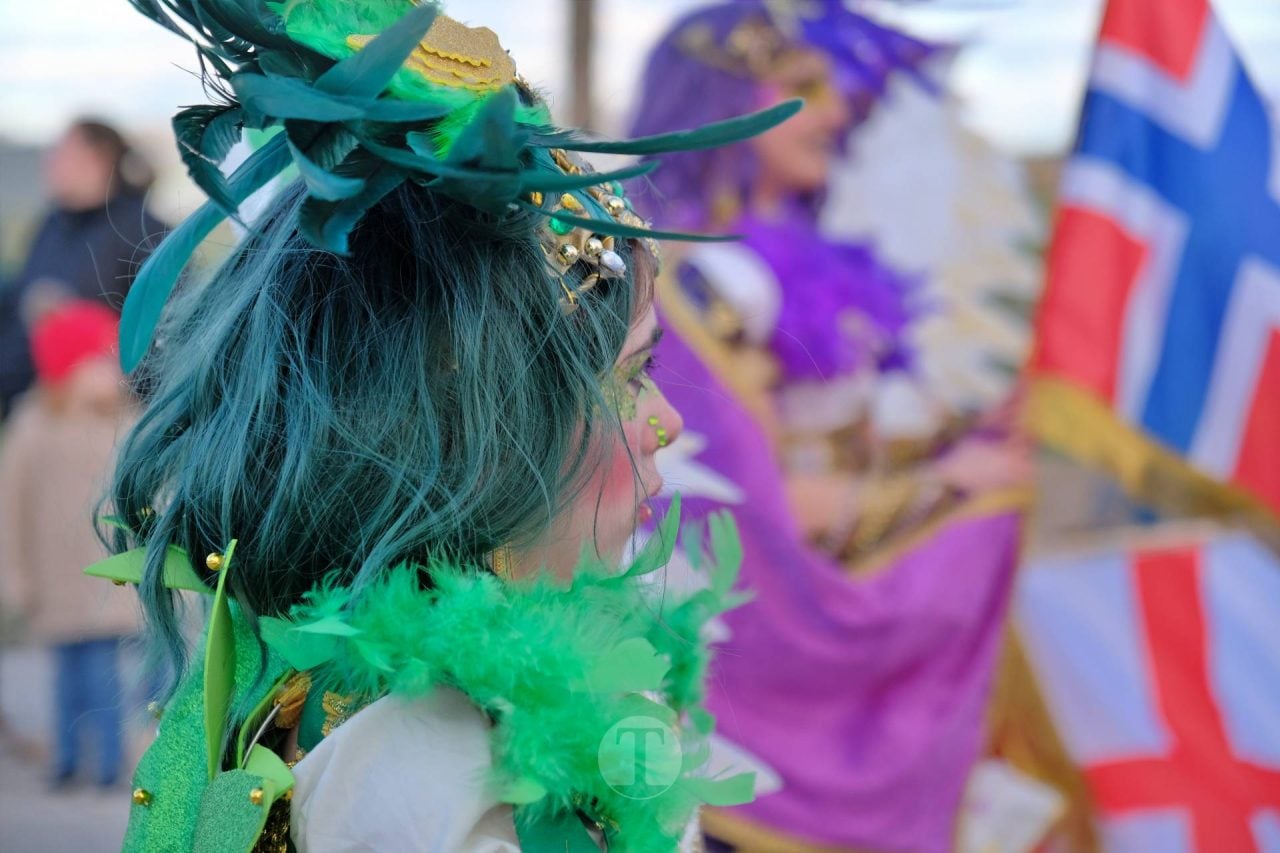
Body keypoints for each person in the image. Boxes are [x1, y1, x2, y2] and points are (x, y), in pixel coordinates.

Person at [87, 1, 796, 849]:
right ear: (481, 434)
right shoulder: (441, 776)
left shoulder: (319, 700)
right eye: (631, 375)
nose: (668, 422)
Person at [630, 4, 1042, 850]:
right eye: (805, 88)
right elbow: (739, 508)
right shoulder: (689, 282)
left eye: (838, 92)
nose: (835, 111)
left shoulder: (799, 261)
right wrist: (949, 485)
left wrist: (958, 439)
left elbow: (819, 447)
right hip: (755, 677)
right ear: (724, 100)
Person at [0, 300, 141, 789]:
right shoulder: (32, 426)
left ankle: (105, 762)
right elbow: (10, 509)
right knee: (66, 677)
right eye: (96, 361)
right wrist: (14, 576)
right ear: (67, 369)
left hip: (108, 580)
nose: (109, 371)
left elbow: (147, 497)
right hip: (54, 581)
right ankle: (64, 757)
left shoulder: (125, 423)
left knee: (104, 674)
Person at [1, 120, 165, 417]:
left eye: (61, 152)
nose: (49, 162)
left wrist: (120, 378)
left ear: (98, 160)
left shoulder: (144, 232)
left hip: (99, 419)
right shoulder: (52, 224)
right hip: (32, 402)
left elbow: (174, 325)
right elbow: (20, 304)